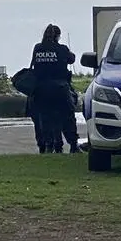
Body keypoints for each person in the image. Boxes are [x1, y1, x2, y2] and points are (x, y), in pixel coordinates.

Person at [30, 24, 76, 154]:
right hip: (60, 88)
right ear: (58, 36)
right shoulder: (62, 48)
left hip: (41, 89)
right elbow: (71, 59)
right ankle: (72, 144)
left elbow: (34, 64)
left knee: (45, 118)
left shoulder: (38, 48)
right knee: (67, 117)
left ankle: (49, 145)